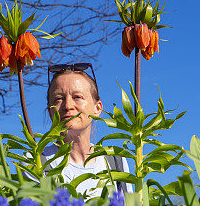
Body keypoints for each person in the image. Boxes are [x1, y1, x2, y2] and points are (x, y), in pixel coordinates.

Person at [41, 63, 133, 198]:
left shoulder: (116, 162)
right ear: (50, 111)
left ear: (98, 108)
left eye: (77, 97)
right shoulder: (37, 161)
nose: (68, 106)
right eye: (58, 99)